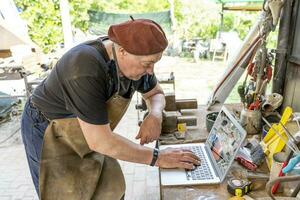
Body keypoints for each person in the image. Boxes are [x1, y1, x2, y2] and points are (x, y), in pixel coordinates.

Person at [21, 18, 200, 199]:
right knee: (62, 193)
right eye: (147, 64)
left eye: (154, 63)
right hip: (47, 128)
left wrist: (155, 115)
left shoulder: (134, 60)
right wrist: (157, 157)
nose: (151, 71)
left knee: (109, 191)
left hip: (90, 133)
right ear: (122, 51)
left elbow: (156, 94)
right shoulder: (84, 67)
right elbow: (101, 142)